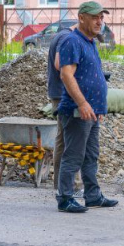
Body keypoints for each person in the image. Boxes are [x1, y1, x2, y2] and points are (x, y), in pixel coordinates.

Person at [55, 1, 119, 213]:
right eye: (94, 17)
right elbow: (66, 74)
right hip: (76, 111)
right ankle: (64, 198)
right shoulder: (72, 41)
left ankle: (92, 196)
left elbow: (90, 76)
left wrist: (98, 108)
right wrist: (82, 103)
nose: (99, 21)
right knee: (74, 155)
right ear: (81, 17)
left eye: (101, 17)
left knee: (91, 155)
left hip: (92, 112)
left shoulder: (90, 42)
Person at [46, 24, 75, 193]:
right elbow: (59, 64)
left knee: (62, 138)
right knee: (66, 140)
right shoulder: (66, 38)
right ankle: (65, 187)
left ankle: (61, 184)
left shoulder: (60, 36)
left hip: (58, 93)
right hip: (64, 95)